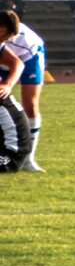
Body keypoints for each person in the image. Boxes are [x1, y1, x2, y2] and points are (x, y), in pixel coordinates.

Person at [0, 9, 47, 171]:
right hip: (4, 59)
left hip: (28, 57)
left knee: (30, 105)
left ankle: (28, 159)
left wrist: (8, 85)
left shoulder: (25, 41)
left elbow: (17, 64)